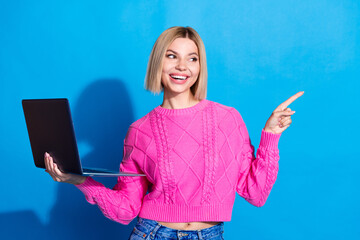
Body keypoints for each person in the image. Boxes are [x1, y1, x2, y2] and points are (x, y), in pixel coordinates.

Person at [44, 26, 304, 239]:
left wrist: (270, 136)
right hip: (152, 233)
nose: (182, 66)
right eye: (172, 56)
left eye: (192, 58)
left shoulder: (228, 118)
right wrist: (80, 181)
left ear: (200, 67)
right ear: (158, 62)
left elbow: (255, 193)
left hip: (211, 234)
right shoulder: (139, 131)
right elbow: (126, 210)